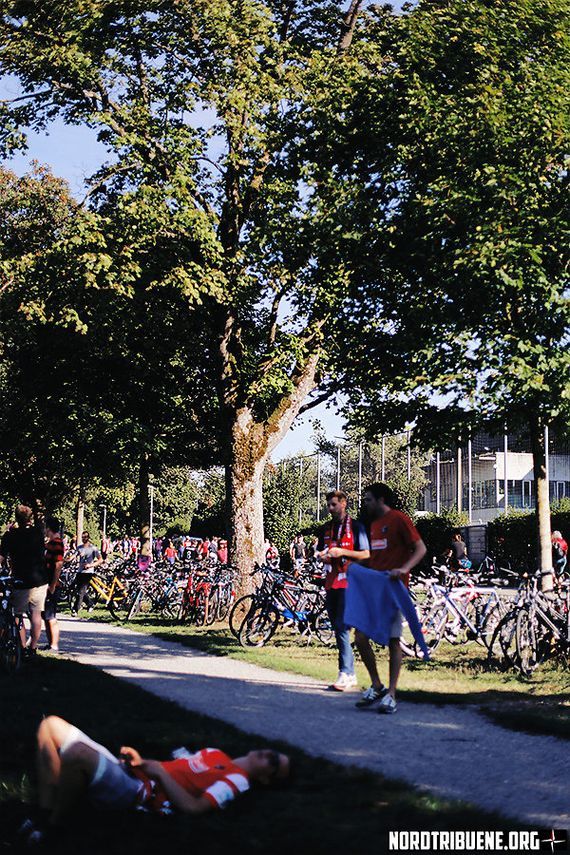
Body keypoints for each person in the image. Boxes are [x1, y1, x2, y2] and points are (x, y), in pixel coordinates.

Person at [21, 715, 290, 845]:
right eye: (275, 753)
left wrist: (158, 773)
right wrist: (142, 762)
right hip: (134, 774)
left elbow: (195, 807)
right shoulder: (216, 754)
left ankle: (54, 827)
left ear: (266, 779)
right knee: (50, 725)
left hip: (139, 793)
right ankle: (44, 812)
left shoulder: (238, 780)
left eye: (274, 763)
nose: (270, 755)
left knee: (77, 754)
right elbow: (171, 769)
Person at [355, 483, 426, 714]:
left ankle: (392, 694)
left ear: (381, 499)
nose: (365, 504)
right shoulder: (374, 525)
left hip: (394, 591)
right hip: (375, 591)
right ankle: (377, 685)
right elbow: (375, 558)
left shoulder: (399, 519)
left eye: (368, 499)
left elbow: (420, 548)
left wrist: (404, 569)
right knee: (360, 637)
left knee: (394, 641)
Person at [317, 490, 370, 692]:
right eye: (328, 505)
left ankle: (345, 672)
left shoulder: (356, 527)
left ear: (344, 503)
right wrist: (322, 556)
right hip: (331, 582)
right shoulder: (326, 528)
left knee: (341, 627)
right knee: (338, 628)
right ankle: (350, 674)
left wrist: (343, 552)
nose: (330, 508)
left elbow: (366, 554)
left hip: (350, 583)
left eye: (334, 504)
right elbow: (321, 550)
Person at [0, 505, 48, 656]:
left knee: (17, 614)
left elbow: (1, 557)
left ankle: (21, 645)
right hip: (39, 579)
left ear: (16, 518)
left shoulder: (10, 536)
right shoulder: (37, 533)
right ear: (30, 518)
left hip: (21, 579)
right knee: (36, 614)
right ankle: (32, 648)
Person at [42, 516, 64, 654]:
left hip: (52, 584)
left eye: (45, 527)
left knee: (51, 616)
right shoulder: (50, 543)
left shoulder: (57, 543)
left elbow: (58, 565)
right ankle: (50, 643)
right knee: (46, 615)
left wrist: (53, 585)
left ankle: (54, 645)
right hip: (46, 583)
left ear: (49, 528)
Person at [71, 531, 103, 616]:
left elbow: (100, 560)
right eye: (82, 537)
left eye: (85, 537)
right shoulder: (79, 547)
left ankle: (75, 609)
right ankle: (90, 603)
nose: (84, 539)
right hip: (80, 571)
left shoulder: (93, 548)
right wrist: (65, 560)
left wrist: (90, 565)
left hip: (88, 572)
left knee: (81, 591)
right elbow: (73, 556)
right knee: (79, 590)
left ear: (88, 538)